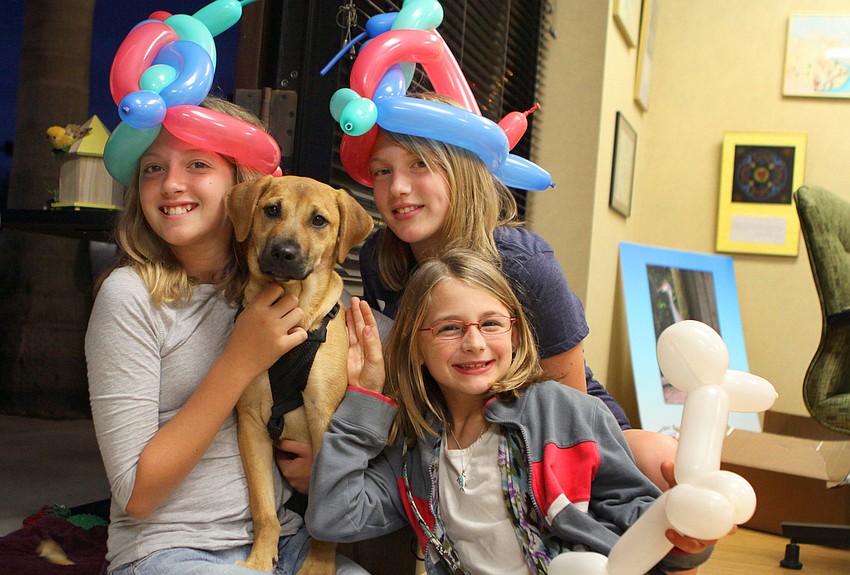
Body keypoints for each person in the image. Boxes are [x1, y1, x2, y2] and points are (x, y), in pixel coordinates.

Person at [86, 96, 369, 575]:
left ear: (243, 186)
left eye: (196, 163)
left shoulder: (271, 293)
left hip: (290, 540)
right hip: (172, 548)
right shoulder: (129, 297)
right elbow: (135, 494)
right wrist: (240, 360)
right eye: (153, 167)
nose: (172, 182)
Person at [306, 248, 721, 574]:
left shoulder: (569, 413)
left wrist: (684, 528)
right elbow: (333, 517)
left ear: (515, 333)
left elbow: (634, 515)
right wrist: (363, 404)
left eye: (490, 324)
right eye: (450, 328)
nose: (474, 343)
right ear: (415, 346)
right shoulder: (414, 445)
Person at [347, 92, 678, 490]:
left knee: (664, 467)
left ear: (463, 170)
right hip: (444, 430)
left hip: (554, 431)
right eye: (382, 171)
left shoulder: (523, 262)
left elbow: (568, 404)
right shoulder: (379, 258)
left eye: (420, 164)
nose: (398, 187)